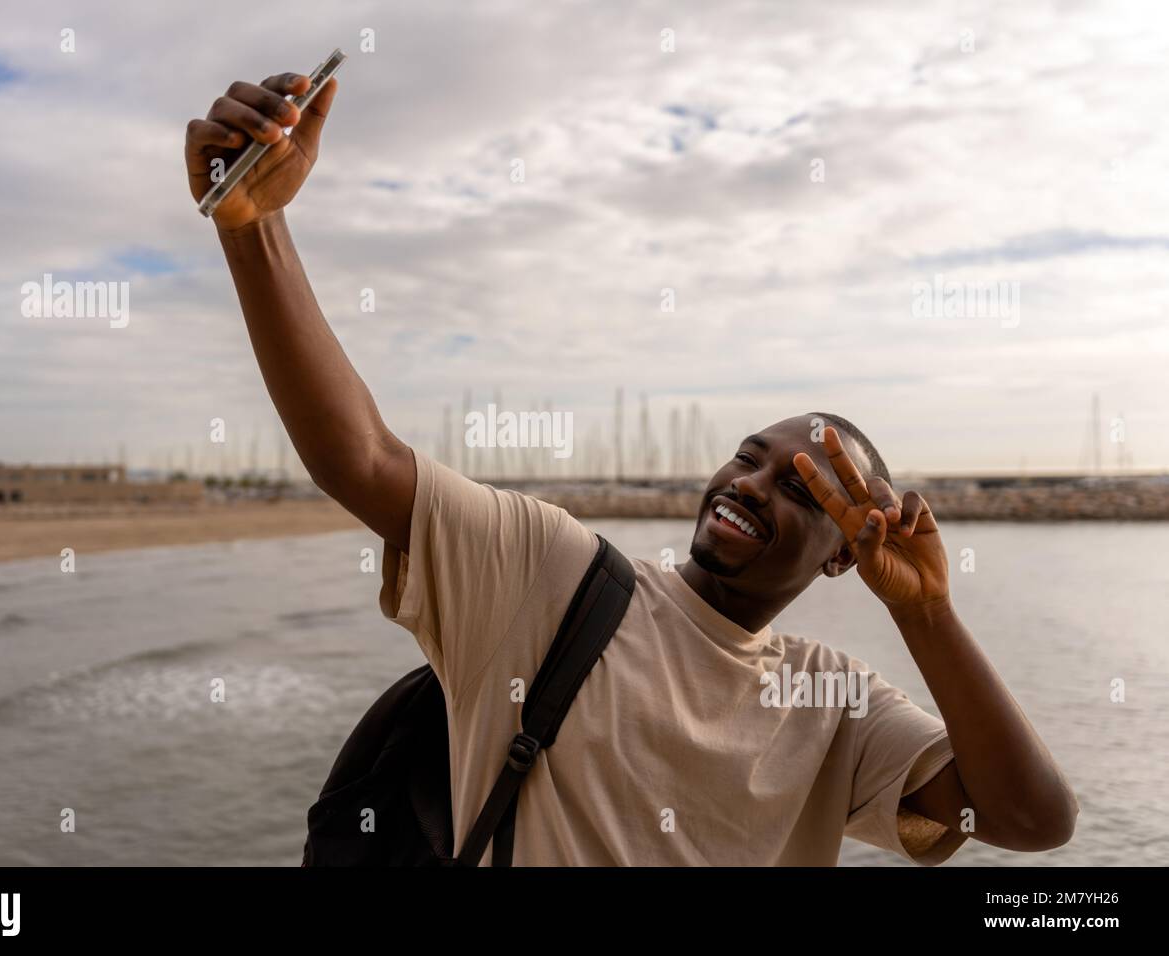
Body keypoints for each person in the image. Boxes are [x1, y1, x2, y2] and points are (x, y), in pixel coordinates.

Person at [184, 72, 1079, 865]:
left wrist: (927, 615)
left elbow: (1031, 820)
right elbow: (361, 456)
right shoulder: (547, 577)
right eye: (749, 458)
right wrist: (254, 229)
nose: (750, 486)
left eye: (801, 490)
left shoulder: (836, 705)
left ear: (845, 555)